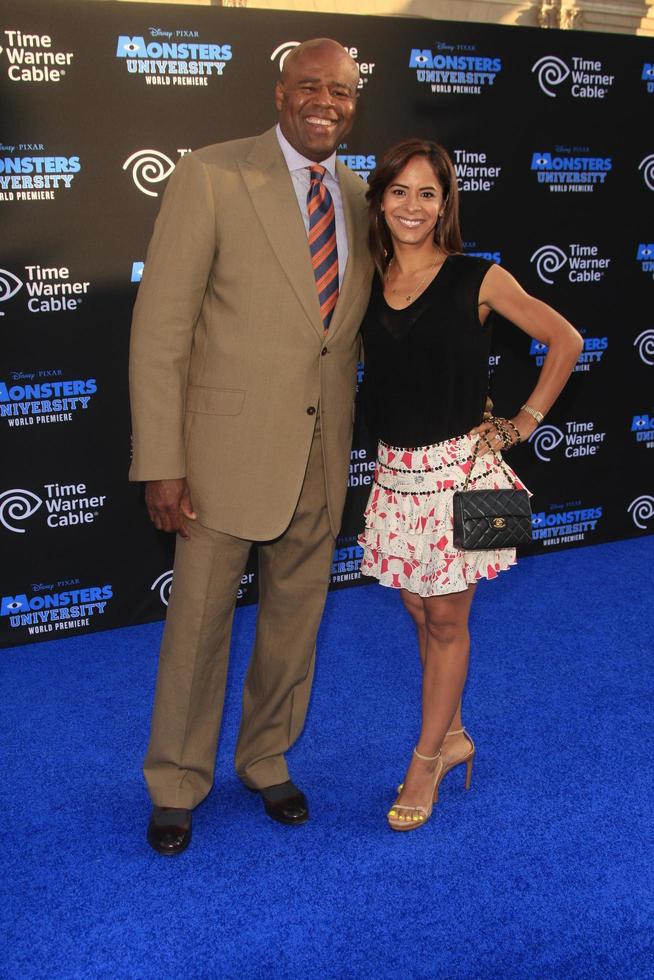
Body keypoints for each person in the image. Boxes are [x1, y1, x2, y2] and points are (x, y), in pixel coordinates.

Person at [129, 38, 373, 855]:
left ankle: (265, 756)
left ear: (353, 101)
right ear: (280, 93)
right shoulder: (212, 174)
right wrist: (161, 458)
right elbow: (161, 328)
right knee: (198, 625)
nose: (325, 102)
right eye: (310, 86)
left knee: (295, 622)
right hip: (219, 456)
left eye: (340, 90)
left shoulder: (359, 194)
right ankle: (176, 780)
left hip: (321, 452)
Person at [357, 138, 583, 831]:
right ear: (380, 200)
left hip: (471, 475)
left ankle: (426, 761)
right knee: (421, 615)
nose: (413, 206)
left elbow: (565, 338)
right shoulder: (365, 280)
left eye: (429, 193)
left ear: (446, 204)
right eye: (400, 191)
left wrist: (523, 421)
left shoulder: (478, 276)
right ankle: (452, 734)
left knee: (449, 619)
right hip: (396, 475)